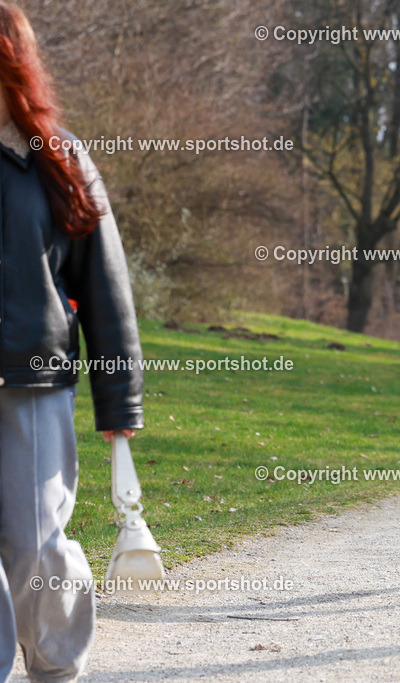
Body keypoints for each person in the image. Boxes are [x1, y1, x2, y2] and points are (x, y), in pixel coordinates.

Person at [0, 4, 143, 680]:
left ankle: (56, 668)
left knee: (38, 548)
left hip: (31, 385)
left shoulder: (59, 159)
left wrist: (120, 403)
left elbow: (105, 288)